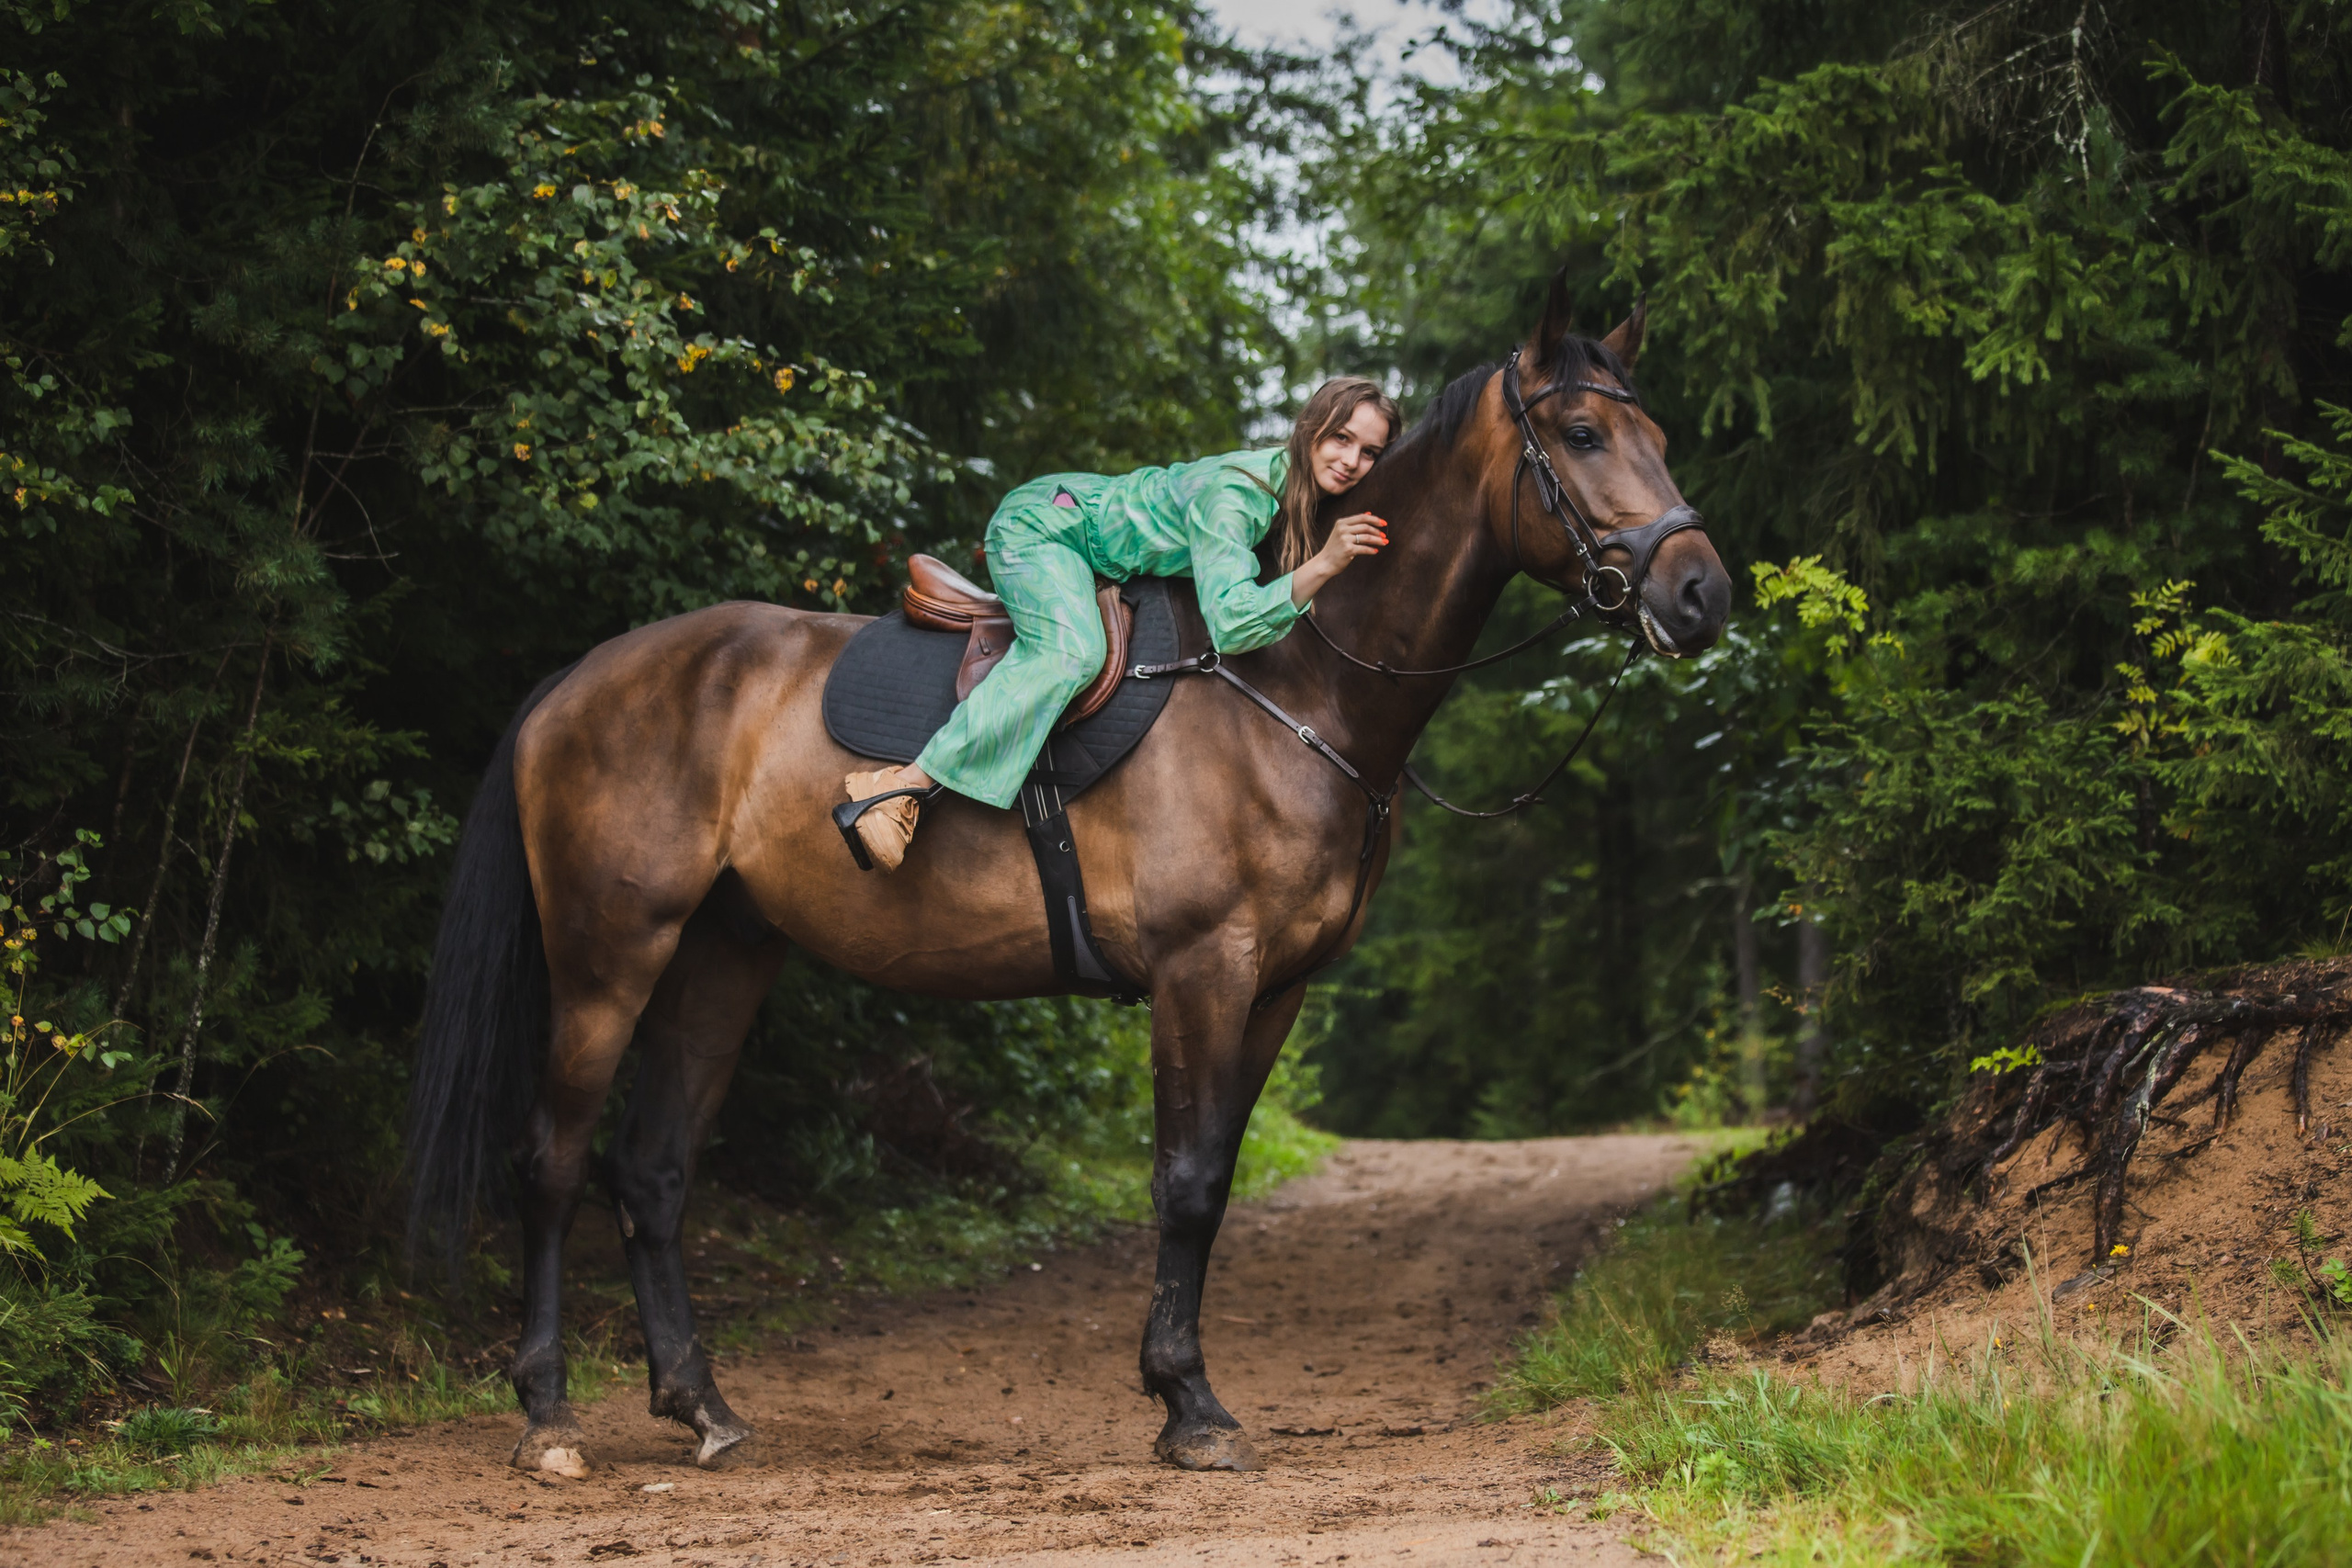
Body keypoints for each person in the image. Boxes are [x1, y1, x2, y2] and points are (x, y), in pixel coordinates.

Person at [842, 376, 1403, 871]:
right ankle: (901, 785)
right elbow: (1232, 624)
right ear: (1309, 430)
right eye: (1341, 438)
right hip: (1046, 525)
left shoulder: (1297, 497)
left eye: (1370, 452)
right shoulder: (1239, 494)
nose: (1352, 461)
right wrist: (1325, 563)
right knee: (1071, 653)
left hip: (1091, 544)